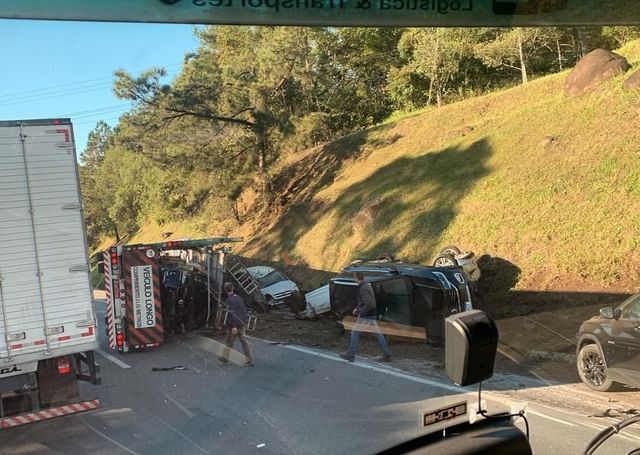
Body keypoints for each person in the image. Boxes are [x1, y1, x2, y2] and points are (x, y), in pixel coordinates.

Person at [340, 271, 392, 363]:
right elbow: (367, 302)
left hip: (366, 316)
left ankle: (351, 354)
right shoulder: (367, 286)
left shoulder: (363, 288)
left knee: (355, 332)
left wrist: (360, 311)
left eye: (354, 277)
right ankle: (387, 354)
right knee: (378, 334)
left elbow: (370, 304)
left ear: (356, 277)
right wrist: (357, 308)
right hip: (371, 315)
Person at [218, 282, 254, 366]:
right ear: (233, 288)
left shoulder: (229, 300)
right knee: (244, 342)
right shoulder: (239, 298)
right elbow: (243, 310)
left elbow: (231, 313)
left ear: (225, 290)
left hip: (233, 325)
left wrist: (234, 326)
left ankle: (225, 358)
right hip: (241, 323)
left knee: (229, 341)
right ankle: (249, 359)